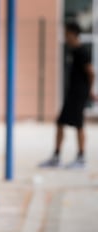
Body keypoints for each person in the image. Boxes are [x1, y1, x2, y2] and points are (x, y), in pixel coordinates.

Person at [40, 22, 95, 168]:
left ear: (72, 33)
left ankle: (81, 157)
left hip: (79, 94)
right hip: (72, 94)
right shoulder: (74, 51)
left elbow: (91, 72)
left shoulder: (82, 52)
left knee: (78, 124)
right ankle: (57, 156)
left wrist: (89, 90)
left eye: (66, 33)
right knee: (60, 123)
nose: (65, 37)